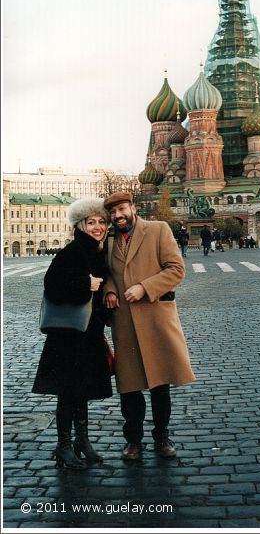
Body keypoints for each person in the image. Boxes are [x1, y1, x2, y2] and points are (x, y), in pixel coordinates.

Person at [103, 192, 196, 460]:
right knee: (129, 387)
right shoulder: (109, 238)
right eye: (113, 212)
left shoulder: (158, 230)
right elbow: (107, 272)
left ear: (132, 208)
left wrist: (145, 287)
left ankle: (162, 437)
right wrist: (109, 289)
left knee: (159, 384)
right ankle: (133, 440)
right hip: (124, 322)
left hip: (155, 317)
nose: (117, 215)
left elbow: (176, 269)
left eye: (121, 209)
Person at [32, 198, 113, 469]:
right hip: (68, 337)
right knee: (68, 391)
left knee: (82, 389)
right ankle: (64, 446)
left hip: (88, 333)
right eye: (92, 222)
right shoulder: (74, 250)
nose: (98, 226)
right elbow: (52, 286)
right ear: (80, 225)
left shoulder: (96, 251)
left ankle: (82, 442)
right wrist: (84, 284)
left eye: (102, 221)